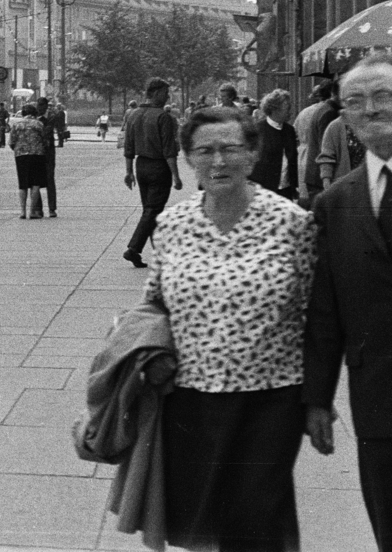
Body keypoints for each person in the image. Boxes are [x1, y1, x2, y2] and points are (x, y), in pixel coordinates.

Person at [144, 105, 316, 552]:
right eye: (205, 151)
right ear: (188, 158)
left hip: (270, 399)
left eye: (230, 149)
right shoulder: (170, 226)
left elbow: (317, 312)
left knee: (257, 518)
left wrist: (319, 401)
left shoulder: (292, 223)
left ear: (253, 154)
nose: (218, 162)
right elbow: (153, 305)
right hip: (189, 399)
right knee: (199, 521)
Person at [303, 55, 392, 551]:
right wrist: (317, 397)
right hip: (380, 402)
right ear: (345, 117)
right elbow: (325, 312)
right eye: (356, 102)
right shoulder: (335, 204)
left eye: (384, 96)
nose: (372, 110)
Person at [122, 78, 184, 268]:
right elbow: (169, 150)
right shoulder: (162, 117)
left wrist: (128, 171)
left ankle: (158, 252)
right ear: (155, 93)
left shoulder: (133, 115)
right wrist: (176, 175)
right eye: (165, 93)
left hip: (141, 166)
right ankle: (134, 248)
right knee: (153, 210)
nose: (167, 97)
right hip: (159, 167)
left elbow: (128, 146)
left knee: (150, 210)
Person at [294, 82, 338, 207]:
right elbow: (325, 145)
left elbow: (295, 131)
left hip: (305, 156)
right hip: (317, 162)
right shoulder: (328, 112)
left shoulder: (305, 112)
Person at [251, 89, 299, 199]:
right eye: (287, 108)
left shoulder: (289, 130)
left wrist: (295, 186)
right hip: (264, 191)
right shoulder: (257, 130)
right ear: (274, 109)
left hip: (286, 190)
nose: (290, 112)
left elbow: (293, 159)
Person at [8, 103, 48, 220]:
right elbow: (45, 141)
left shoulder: (16, 125)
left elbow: (11, 142)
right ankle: (32, 211)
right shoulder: (39, 124)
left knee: (22, 184)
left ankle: (22, 211)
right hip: (37, 155)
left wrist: (18, 149)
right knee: (35, 184)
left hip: (21, 155)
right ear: (34, 114)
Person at [317, 111, 366, 188]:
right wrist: (326, 183)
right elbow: (326, 158)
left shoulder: (371, 124)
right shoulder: (335, 126)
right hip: (344, 186)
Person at [34, 97, 60, 216]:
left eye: (40, 105)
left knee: (50, 179)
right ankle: (38, 208)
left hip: (48, 152)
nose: (39, 108)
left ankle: (52, 208)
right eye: (38, 105)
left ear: (45, 106)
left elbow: (46, 131)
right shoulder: (34, 117)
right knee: (36, 181)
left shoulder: (51, 117)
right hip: (36, 152)